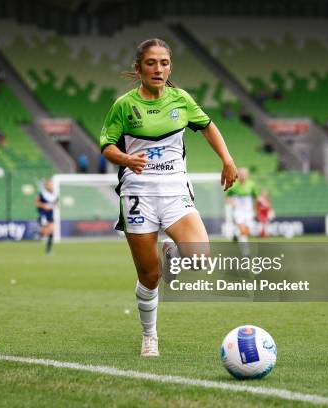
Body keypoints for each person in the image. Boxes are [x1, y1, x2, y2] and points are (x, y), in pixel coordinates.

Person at [100, 38, 237, 357]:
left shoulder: (181, 99)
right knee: (149, 277)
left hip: (175, 191)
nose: (158, 68)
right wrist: (126, 159)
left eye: (164, 63)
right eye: (151, 63)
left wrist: (227, 159)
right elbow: (107, 146)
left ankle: (172, 250)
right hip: (138, 195)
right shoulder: (124, 105)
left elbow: (208, 126)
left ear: (170, 67)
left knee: (200, 258)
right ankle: (150, 336)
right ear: (139, 68)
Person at [225, 168, 258, 255]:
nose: (243, 176)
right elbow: (227, 199)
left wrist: (255, 209)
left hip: (249, 212)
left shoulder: (252, 185)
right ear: (238, 175)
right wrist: (233, 203)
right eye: (241, 174)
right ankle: (246, 253)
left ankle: (236, 233)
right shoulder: (234, 186)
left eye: (244, 174)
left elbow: (255, 198)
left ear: (247, 175)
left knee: (246, 232)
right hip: (238, 212)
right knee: (243, 232)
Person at [35, 178, 58, 255]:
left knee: (51, 231)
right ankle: (37, 234)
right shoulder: (42, 194)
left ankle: (48, 251)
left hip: (50, 215)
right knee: (43, 233)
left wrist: (54, 206)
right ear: (47, 185)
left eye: (52, 184)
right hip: (43, 215)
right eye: (50, 184)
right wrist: (44, 206)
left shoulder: (55, 194)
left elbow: (56, 204)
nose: (51, 185)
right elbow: (37, 203)